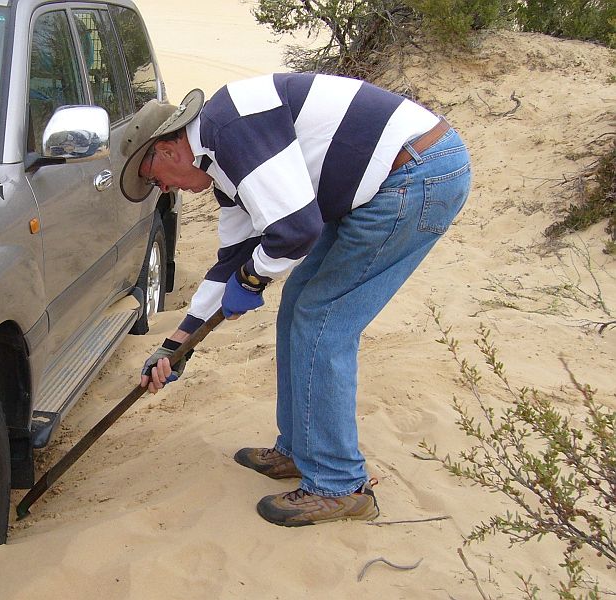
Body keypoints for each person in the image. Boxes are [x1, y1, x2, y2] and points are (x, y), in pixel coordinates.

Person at [120, 74, 471, 527]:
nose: (164, 190)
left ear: (168, 150)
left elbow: (296, 232)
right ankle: (301, 448)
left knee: (321, 320)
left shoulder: (231, 130)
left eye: (155, 179)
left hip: (415, 173)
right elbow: (232, 260)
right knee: (299, 307)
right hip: (388, 180)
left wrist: (252, 278)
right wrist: (178, 344)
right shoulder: (221, 161)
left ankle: (339, 485)